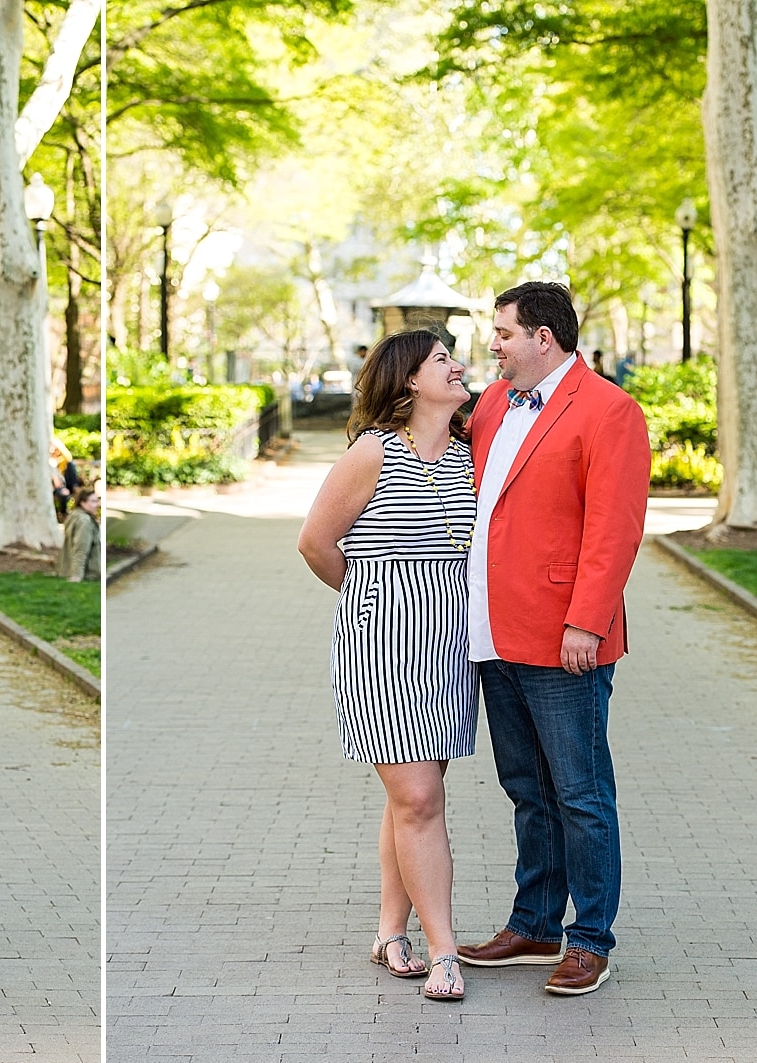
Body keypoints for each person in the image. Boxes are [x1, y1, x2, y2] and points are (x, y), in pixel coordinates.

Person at [457, 281, 649, 996]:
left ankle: (590, 938)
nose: (493, 345)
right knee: (526, 789)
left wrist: (587, 620)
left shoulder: (610, 410)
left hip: (564, 635)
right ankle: (535, 922)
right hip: (491, 630)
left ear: (544, 337)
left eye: (503, 332)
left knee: (580, 792)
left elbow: (615, 525)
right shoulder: (493, 404)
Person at [297, 328, 478, 1002]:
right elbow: (315, 542)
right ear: (407, 379)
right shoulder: (372, 452)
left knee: (412, 795)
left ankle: (388, 929)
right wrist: (372, 597)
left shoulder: (469, 455)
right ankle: (445, 952)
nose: (459, 366)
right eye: (442, 360)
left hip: (451, 647)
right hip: (382, 645)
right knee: (422, 798)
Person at [58, 488, 102, 582]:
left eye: (97, 501)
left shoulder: (74, 516)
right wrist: (76, 575)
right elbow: (81, 549)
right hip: (89, 574)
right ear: (83, 503)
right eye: (93, 501)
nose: (97, 505)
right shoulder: (84, 521)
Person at [50, 436, 81, 520]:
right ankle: (63, 514)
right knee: (62, 493)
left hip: (65, 485)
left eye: (55, 448)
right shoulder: (49, 460)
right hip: (53, 487)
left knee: (70, 465)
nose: (52, 450)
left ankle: (64, 514)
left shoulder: (65, 461)